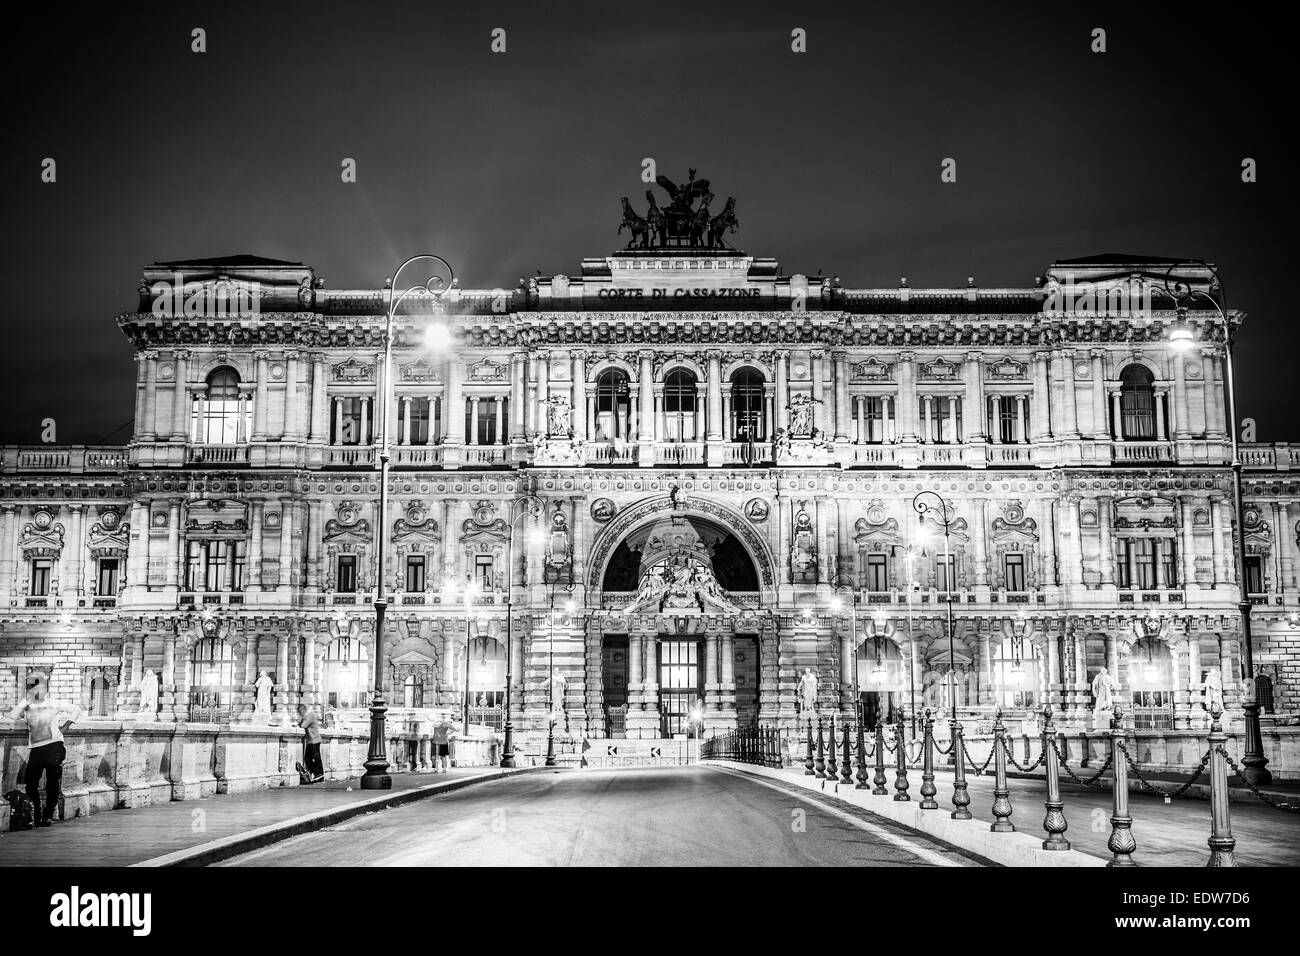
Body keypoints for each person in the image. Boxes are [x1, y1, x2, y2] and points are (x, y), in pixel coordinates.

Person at [7, 676, 82, 826]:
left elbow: (76, 710)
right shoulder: (27, 704)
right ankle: (36, 814)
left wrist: (65, 727)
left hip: (54, 745)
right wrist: (25, 701)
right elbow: (13, 715)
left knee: (53, 782)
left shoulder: (54, 702)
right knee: (30, 781)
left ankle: (47, 815)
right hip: (36, 748)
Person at [296, 704, 325, 783]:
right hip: (311, 740)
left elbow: (303, 725)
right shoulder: (308, 716)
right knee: (316, 758)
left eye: (299, 712)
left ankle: (318, 773)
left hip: (314, 740)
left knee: (309, 759)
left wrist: (301, 719)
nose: (299, 714)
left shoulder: (310, 716)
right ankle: (320, 775)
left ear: (303, 710)